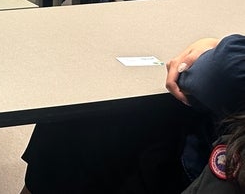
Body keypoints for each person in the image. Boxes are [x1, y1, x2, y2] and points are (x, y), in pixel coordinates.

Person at [19, 35, 245, 194]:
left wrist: (210, 47)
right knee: (77, 112)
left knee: (77, 126)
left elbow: (219, 71)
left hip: (212, 158)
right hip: (216, 124)